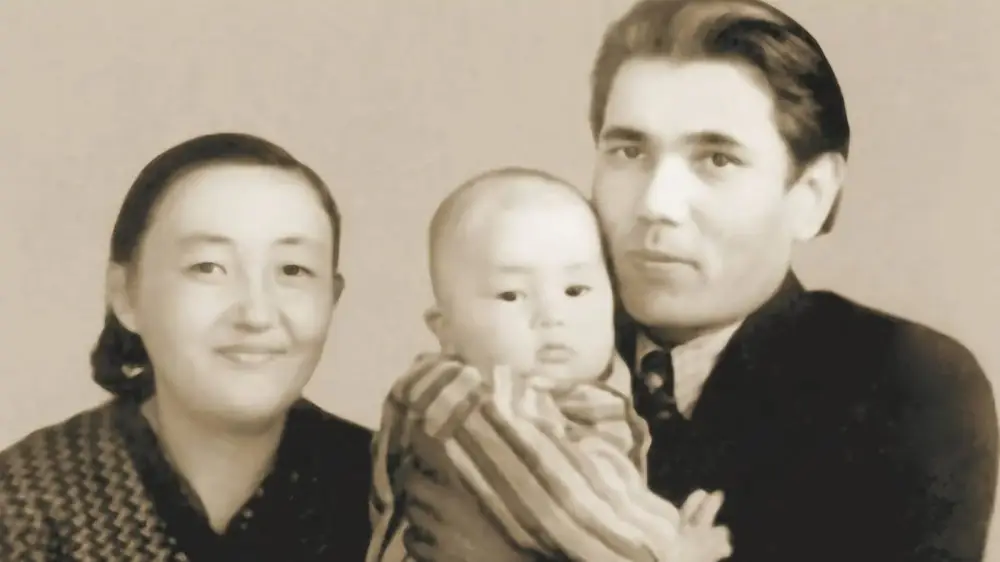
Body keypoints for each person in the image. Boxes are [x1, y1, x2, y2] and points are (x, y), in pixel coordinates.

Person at [398, 1, 1000, 561]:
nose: (656, 204)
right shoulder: (520, 346)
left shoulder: (902, 383)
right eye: (628, 152)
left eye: (717, 159)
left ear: (811, 196)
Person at [0, 133, 373, 560]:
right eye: (208, 267)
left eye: (293, 270)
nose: (256, 314)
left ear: (332, 298)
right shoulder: (23, 504)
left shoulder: (395, 491)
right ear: (125, 294)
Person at [367, 168, 732, 562]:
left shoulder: (598, 403)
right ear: (446, 330)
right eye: (510, 295)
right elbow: (567, 504)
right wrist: (671, 548)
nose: (552, 315)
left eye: (575, 290)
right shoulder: (457, 396)